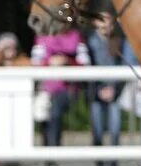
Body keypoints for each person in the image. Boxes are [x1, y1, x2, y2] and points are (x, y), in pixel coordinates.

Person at [31, 29, 90, 147]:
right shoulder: (42, 37)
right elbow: (35, 62)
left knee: (55, 112)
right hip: (45, 88)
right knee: (46, 118)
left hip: (69, 88)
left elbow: (85, 62)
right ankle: (48, 149)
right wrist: (49, 62)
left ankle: (54, 147)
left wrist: (67, 61)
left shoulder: (76, 36)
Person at [85, 12, 124, 156]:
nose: (105, 24)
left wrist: (114, 89)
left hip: (114, 92)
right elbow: (88, 66)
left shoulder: (118, 42)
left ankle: (114, 163)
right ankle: (99, 163)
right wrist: (99, 90)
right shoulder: (88, 42)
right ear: (95, 23)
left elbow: (123, 67)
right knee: (98, 130)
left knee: (115, 129)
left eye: (108, 21)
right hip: (96, 91)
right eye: (102, 20)